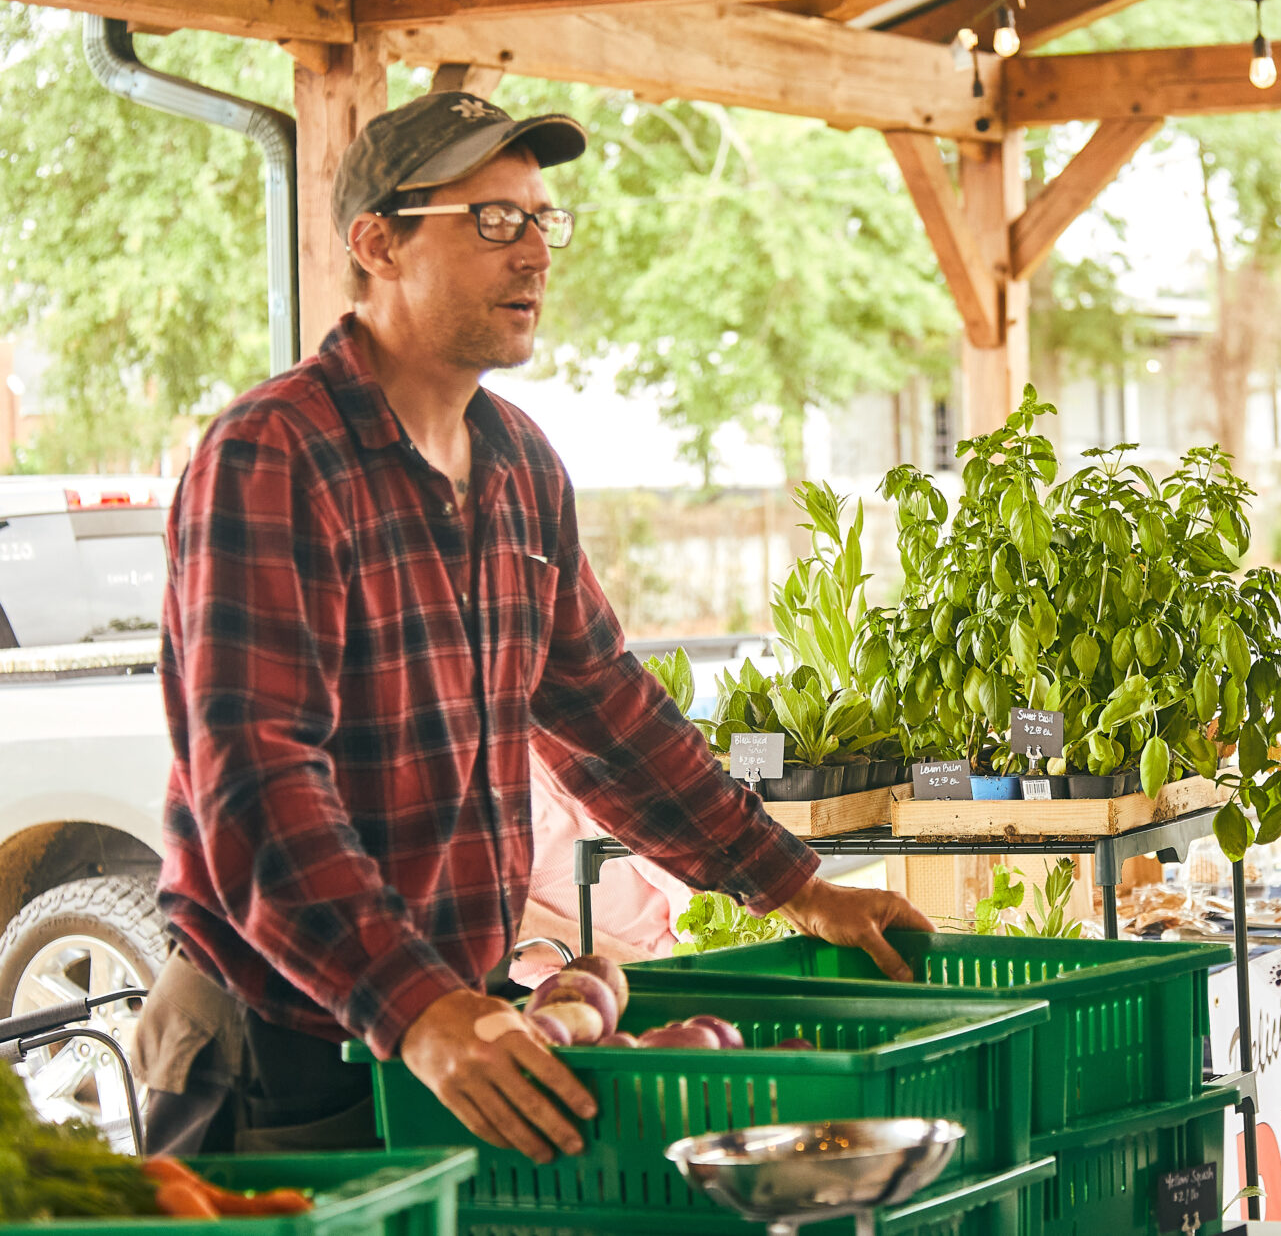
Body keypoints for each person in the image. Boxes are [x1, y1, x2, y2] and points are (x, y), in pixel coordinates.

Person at [144, 90, 930, 1161]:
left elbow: (605, 710)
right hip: (280, 1043)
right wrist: (415, 1007)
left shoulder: (516, 463)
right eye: (492, 220)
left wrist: (793, 884)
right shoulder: (274, 458)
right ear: (377, 241)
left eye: (540, 219)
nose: (534, 255)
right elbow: (255, 784)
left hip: (449, 1025)